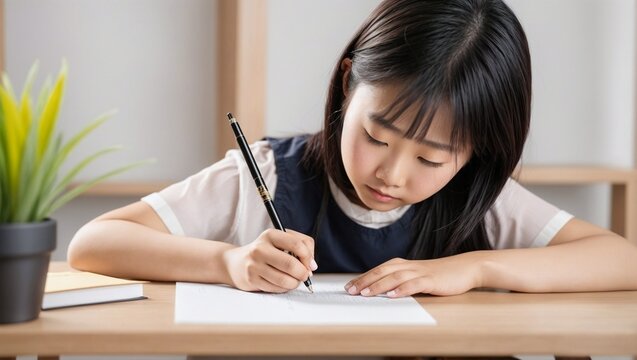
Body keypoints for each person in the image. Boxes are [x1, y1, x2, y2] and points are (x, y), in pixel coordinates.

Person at [68, 0, 637, 299]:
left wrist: (474, 268)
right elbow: (94, 243)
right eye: (375, 136)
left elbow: (622, 259)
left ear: (474, 154)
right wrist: (227, 262)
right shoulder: (265, 174)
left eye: (431, 159)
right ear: (347, 85)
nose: (391, 173)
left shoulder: (480, 199)